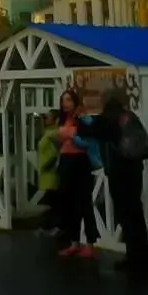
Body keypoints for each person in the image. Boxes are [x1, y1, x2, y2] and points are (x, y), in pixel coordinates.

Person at [81, 94, 148, 275]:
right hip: (134, 171)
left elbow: (84, 131)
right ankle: (142, 258)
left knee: (126, 216)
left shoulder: (106, 121)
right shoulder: (129, 117)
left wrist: (83, 116)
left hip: (119, 173)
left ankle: (134, 260)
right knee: (135, 215)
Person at [53, 89, 100, 259]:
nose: (65, 104)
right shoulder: (62, 119)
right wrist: (63, 136)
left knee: (84, 203)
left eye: (68, 100)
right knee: (69, 203)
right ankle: (74, 242)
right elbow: (58, 140)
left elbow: (88, 140)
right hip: (66, 161)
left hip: (80, 162)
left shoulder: (83, 118)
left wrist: (70, 135)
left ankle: (90, 244)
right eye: (63, 100)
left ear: (75, 102)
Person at [35, 112, 62, 237]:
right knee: (52, 201)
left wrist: (50, 165)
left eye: (48, 117)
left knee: (54, 201)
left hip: (51, 172)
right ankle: (51, 226)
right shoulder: (47, 132)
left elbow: (58, 151)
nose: (45, 119)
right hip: (45, 173)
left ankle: (54, 226)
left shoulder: (55, 133)